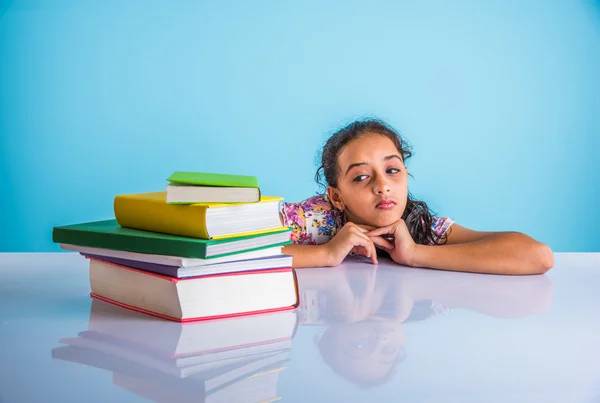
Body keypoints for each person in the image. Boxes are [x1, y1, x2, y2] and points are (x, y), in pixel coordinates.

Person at [280, 119, 554, 275]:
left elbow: (538, 257)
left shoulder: (416, 225)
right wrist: (326, 253)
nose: (383, 186)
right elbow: (239, 250)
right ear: (337, 196)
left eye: (392, 170)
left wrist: (414, 254)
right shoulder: (311, 218)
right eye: (361, 176)